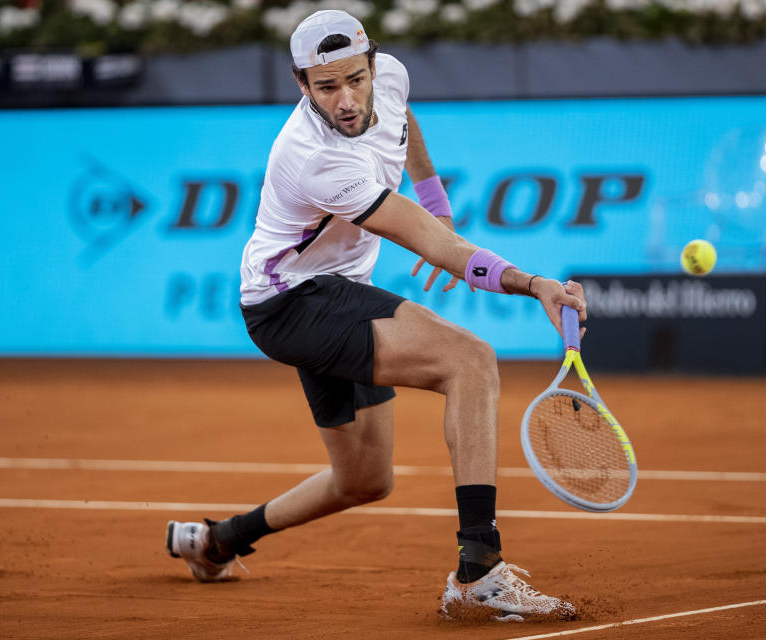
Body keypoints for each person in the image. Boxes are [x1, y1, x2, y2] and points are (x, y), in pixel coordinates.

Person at [165, 9, 586, 622]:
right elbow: (431, 246)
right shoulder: (314, 157)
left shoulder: (388, 77)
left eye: (356, 79)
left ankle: (215, 542)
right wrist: (534, 283)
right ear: (301, 85)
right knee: (470, 361)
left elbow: (402, 121)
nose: (347, 99)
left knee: (364, 480)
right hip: (291, 303)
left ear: (372, 66)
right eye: (327, 86)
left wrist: (437, 200)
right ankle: (479, 571)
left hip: (335, 288)